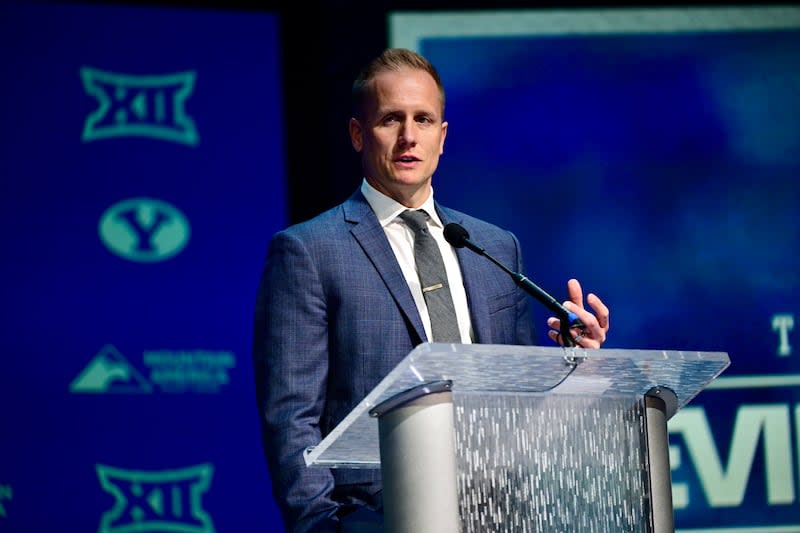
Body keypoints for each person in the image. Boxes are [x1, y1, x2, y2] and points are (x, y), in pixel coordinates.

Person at [253, 47, 610, 533]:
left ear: (442, 137)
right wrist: (323, 527)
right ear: (358, 134)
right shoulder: (308, 251)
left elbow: (523, 406)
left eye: (423, 120)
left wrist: (575, 361)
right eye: (390, 120)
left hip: (497, 511)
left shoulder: (494, 246)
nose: (408, 137)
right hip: (377, 517)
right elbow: (292, 417)